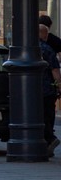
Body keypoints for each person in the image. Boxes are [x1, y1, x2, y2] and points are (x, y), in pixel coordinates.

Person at [40, 25, 61, 155]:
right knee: (48, 117)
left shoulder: (27, 48)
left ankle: (48, 142)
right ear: (44, 35)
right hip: (47, 89)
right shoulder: (47, 49)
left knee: (41, 117)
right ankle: (49, 139)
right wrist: (59, 87)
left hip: (31, 91)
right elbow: (55, 71)